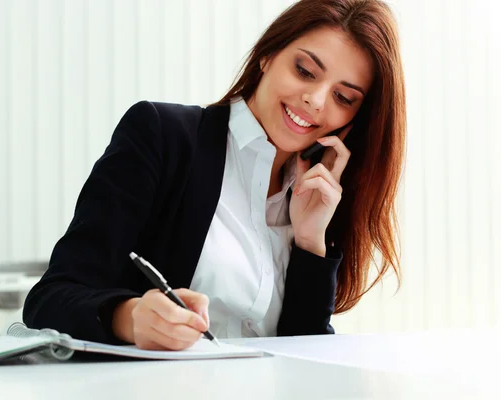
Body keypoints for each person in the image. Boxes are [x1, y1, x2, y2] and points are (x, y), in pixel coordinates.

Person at [23, 0, 406, 351]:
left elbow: (305, 356)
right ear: (268, 55)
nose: (316, 100)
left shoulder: (318, 195)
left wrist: (309, 242)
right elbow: (50, 299)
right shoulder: (163, 136)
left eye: (344, 98)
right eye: (304, 70)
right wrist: (130, 318)